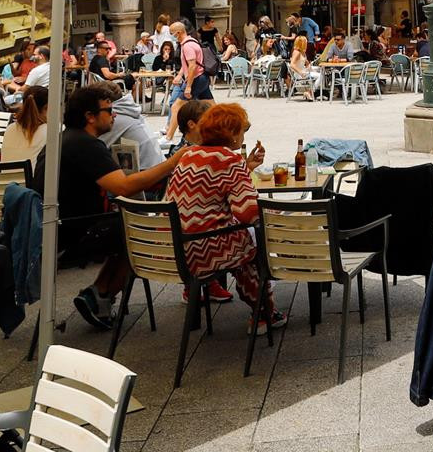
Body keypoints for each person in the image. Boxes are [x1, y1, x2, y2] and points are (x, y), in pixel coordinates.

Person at [160, 102, 283, 326]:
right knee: (255, 248)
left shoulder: (188, 155)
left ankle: (264, 311)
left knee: (245, 241)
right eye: (242, 131)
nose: (244, 136)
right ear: (232, 134)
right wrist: (282, 217)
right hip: (202, 252)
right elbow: (248, 213)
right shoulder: (230, 160)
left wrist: (246, 169)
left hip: (171, 249)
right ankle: (264, 312)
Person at [64, 84, 173, 331]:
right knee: (141, 234)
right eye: (108, 110)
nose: (114, 115)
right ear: (90, 117)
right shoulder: (86, 145)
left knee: (129, 227)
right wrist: (172, 163)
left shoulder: (70, 138)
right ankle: (102, 294)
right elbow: (123, 186)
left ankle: (99, 294)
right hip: (73, 232)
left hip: (68, 224)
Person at [0, 85, 50, 164]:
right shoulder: (51, 131)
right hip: (33, 176)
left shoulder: (10, 128)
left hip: (6, 176)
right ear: (46, 108)